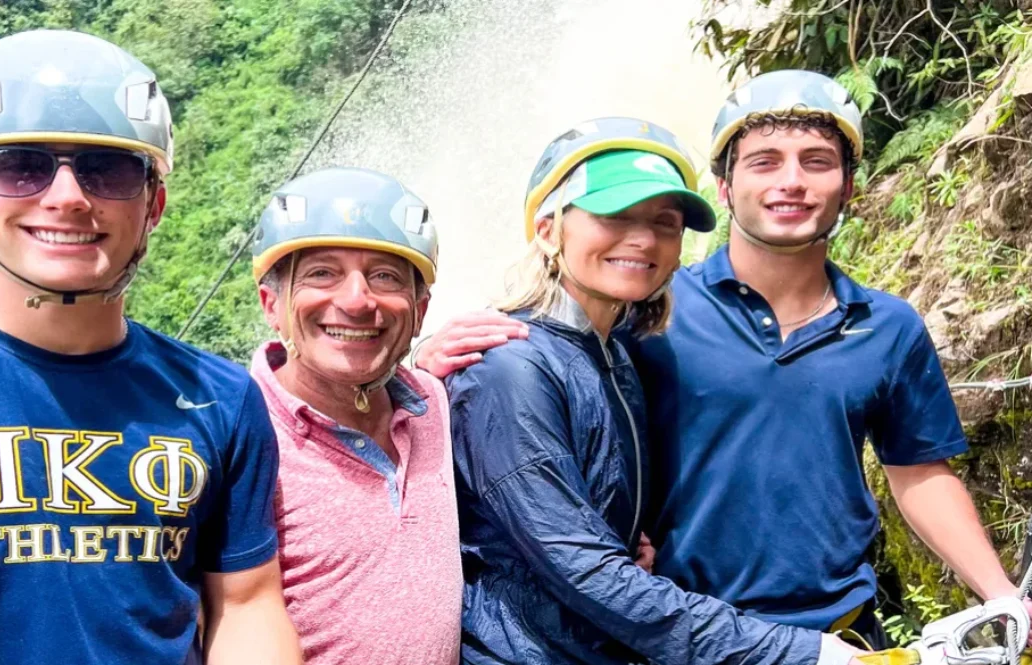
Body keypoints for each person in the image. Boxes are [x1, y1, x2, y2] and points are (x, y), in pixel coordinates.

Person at [416, 71, 1028, 648]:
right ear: (726, 187)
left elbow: (918, 471)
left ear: (850, 185)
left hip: (836, 633)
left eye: (816, 162)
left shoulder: (887, 326)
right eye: (765, 162)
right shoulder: (646, 311)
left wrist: (1002, 596)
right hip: (679, 633)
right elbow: (554, 392)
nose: (791, 181)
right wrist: (417, 369)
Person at [0, 30, 301, 665]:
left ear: (153, 203)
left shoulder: (219, 398)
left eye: (109, 169)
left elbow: (246, 605)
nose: (69, 197)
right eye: (19, 166)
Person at [443, 116, 858, 665]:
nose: (643, 239)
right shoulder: (509, 366)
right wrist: (798, 653)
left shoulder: (614, 351)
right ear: (548, 229)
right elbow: (581, 567)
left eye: (665, 222)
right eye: (615, 215)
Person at [248, 167, 462, 664]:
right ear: (271, 305)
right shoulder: (241, 433)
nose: (357, 300)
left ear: (420, 309)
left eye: (385, 277)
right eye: (322, 273)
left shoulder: (434, 404)